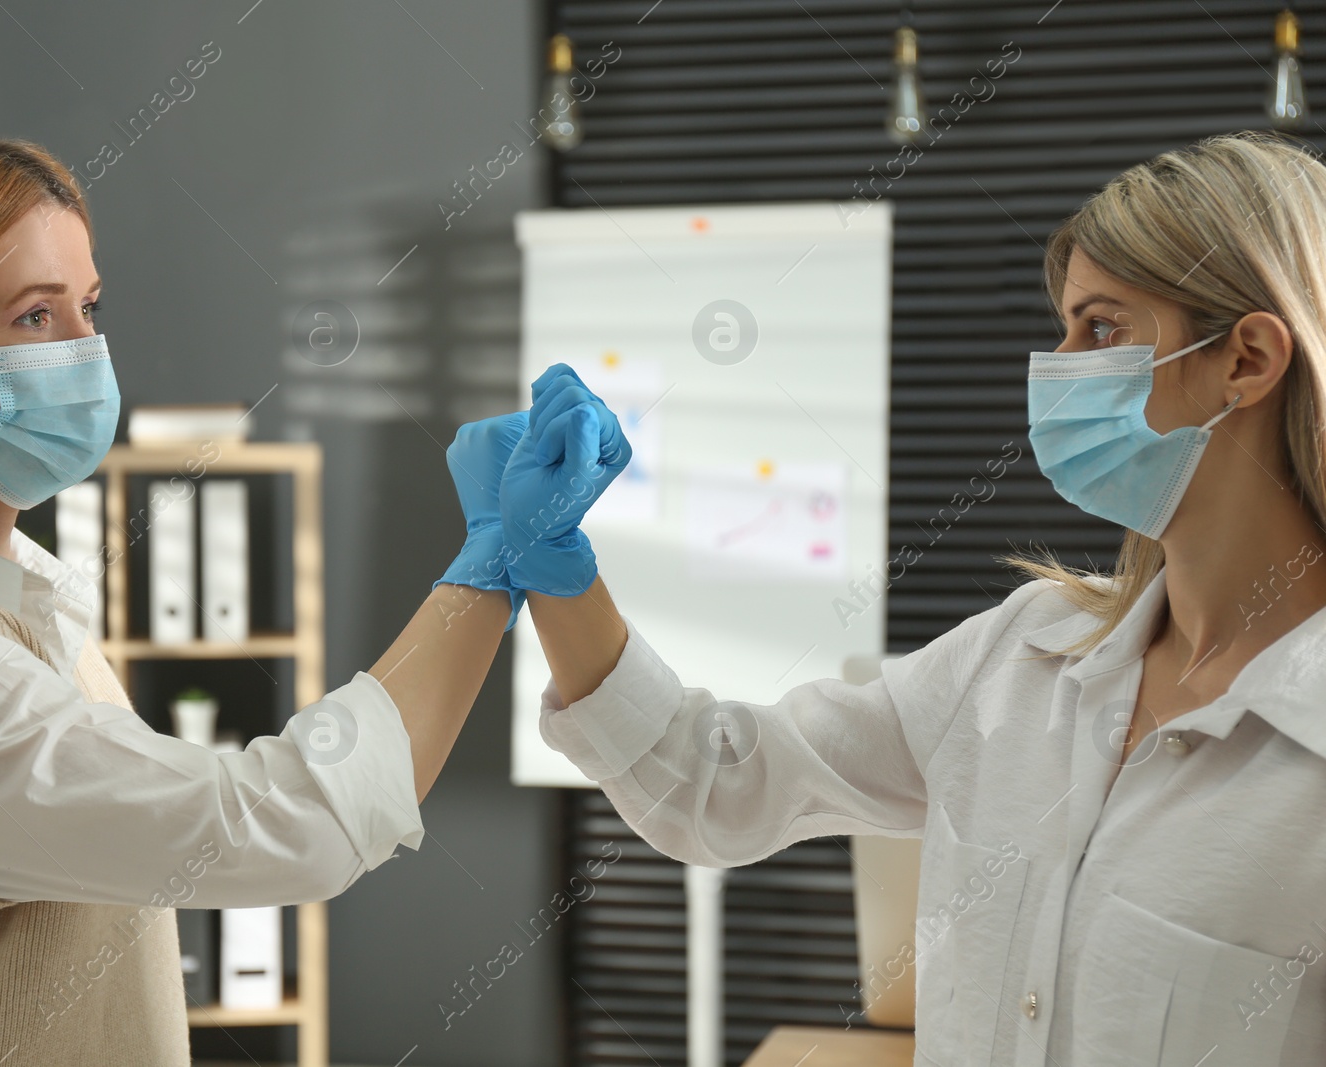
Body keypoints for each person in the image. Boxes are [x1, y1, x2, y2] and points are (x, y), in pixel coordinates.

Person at [0, 116, 613, 1066]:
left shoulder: (11, 594)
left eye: (89, 309)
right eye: (34, 316)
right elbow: (282, 824)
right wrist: (487, 563)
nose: (87, 351)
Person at [508, 129, 1326, 1066]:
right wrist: (552, 560)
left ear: (1249, 359)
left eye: (1101, 329)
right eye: (1062, 327)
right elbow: (716, 786)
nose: (1056, 370)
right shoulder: (1021, 655)